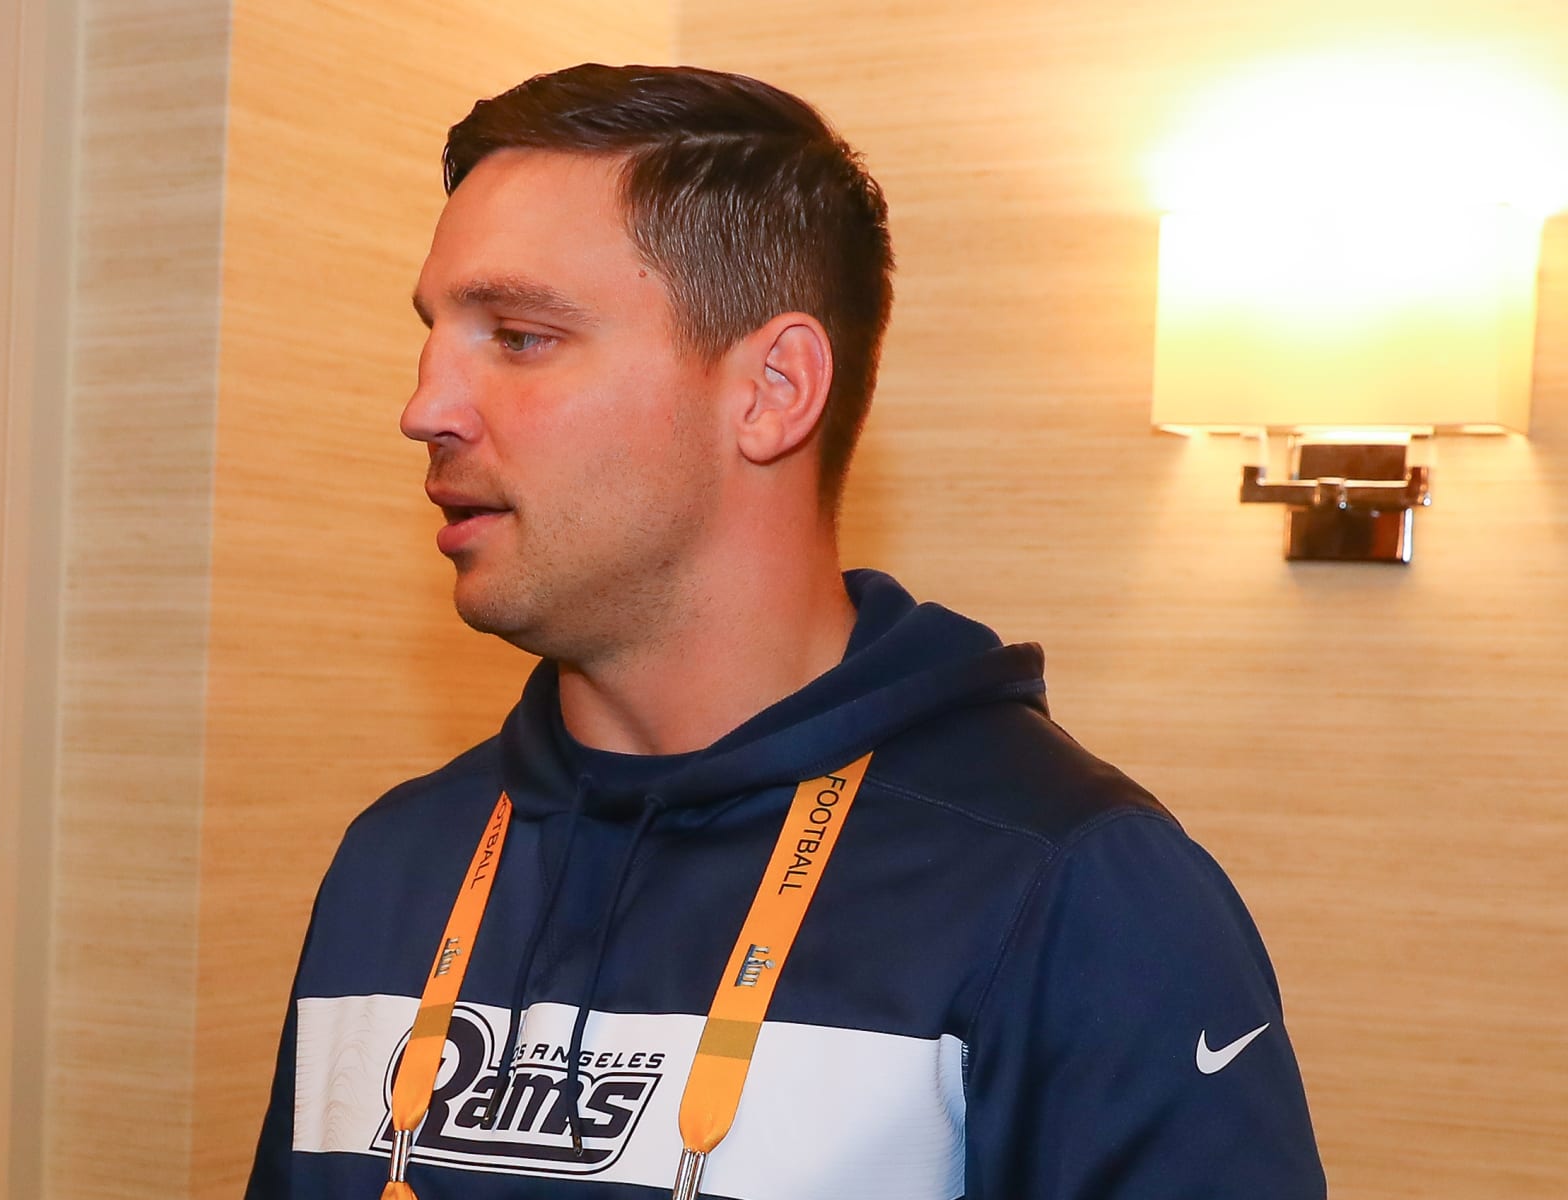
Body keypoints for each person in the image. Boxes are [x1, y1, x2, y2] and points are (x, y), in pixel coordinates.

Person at [245, 63, 1326, 1200]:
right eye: (437, 336)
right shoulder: (394, 865)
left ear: (772, 389)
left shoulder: (1074, 890)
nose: (425, 408)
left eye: (517, 337)